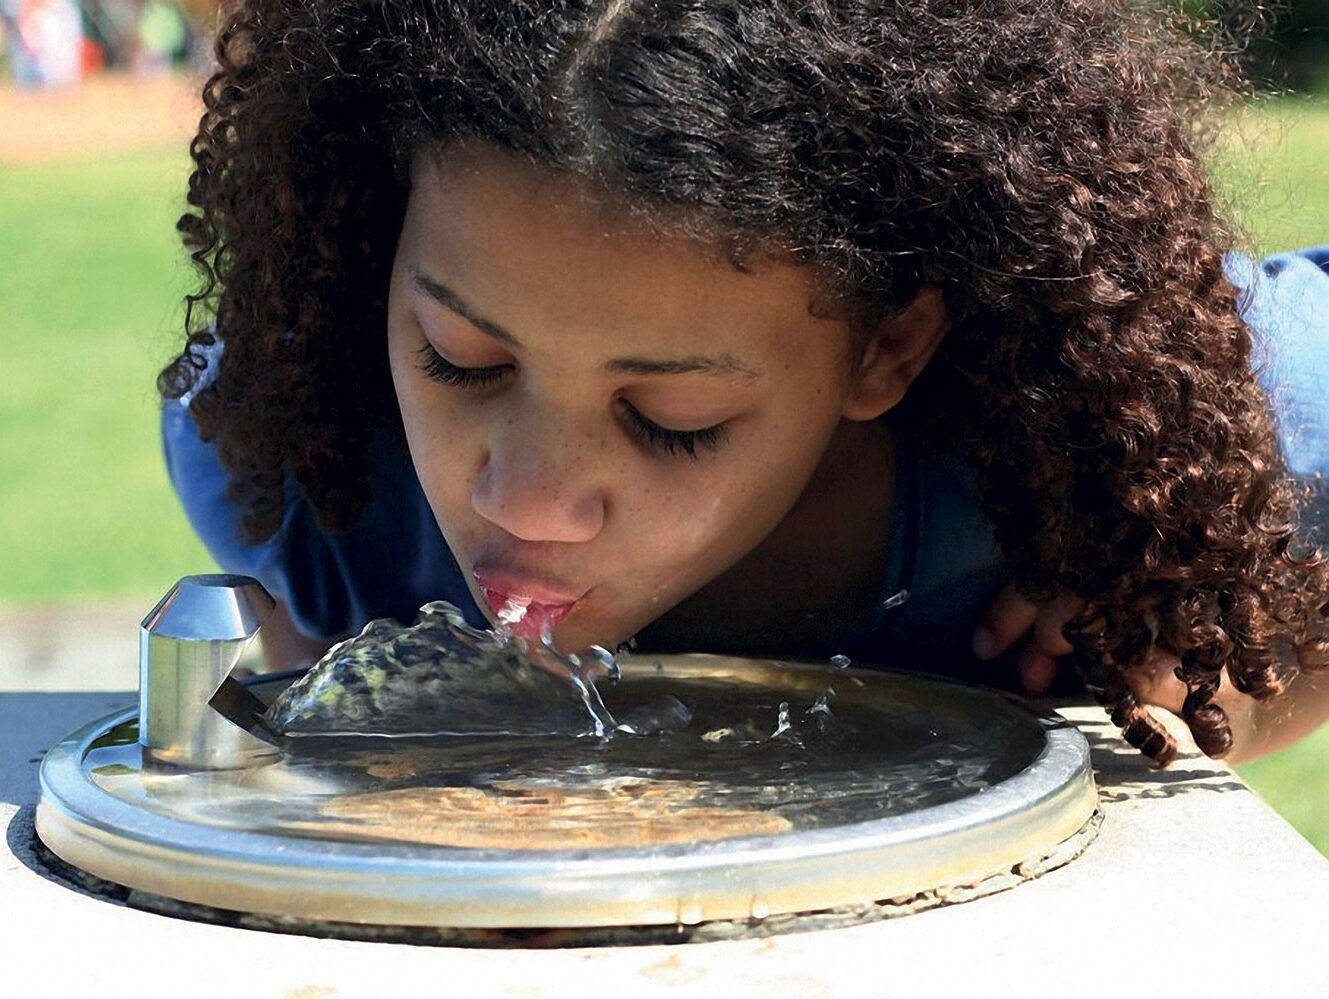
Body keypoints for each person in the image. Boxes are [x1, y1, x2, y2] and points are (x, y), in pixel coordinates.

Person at [159, 0, 1329, 767]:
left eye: (672, 418)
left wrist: (1230, 647)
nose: (526, 501)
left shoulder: (1113, 433)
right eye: (460, 360)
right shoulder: (292, 463)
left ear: (888, 348)